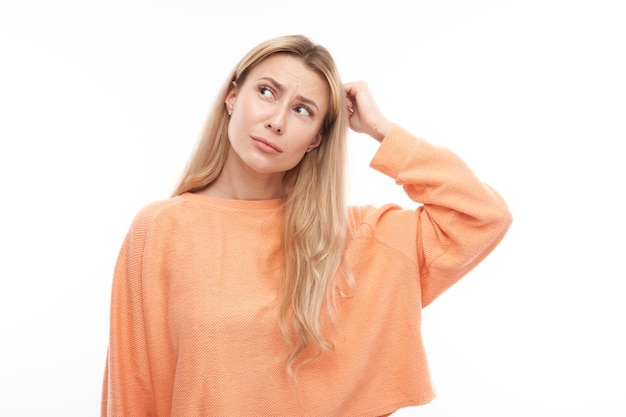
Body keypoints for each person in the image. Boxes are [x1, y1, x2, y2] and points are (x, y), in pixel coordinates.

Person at [101, 34, 512, 417]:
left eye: (303, 110)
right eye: (266, 92)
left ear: (316, 138)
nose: (277, 121)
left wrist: (380, 130)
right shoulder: (161, 230)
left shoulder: (356, 238)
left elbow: (482, 216)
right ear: (231, 97)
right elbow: (134, 390)